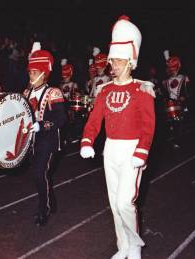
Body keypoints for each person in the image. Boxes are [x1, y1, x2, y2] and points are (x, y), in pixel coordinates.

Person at [80, 16, 155, 259]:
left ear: (131, 62)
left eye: (119, 60)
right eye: (112, 59)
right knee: (114, 204)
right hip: (110, 150)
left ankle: (135, 245)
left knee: (125, 203)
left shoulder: (142, 89)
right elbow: (94, 120)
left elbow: (148, 125)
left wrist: (142, 151)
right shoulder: (105, 91)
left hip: (132, 151)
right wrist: (87, 140)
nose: (113, 64)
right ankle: (123, 246)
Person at [23, 42, 67, 226]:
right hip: (32, 141)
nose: (30, 75)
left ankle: (44, 209)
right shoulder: (25, 92)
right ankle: (51, 200)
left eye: (34, 72)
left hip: (48, 140)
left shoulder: (53, 92)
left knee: (39, 173)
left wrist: (42, 125)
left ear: (43, 73)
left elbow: (61, 118)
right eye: (30, 72)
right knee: (39, 174)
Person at [162, 50, 190, 149]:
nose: (172, 70)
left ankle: (179, 140)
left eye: (174, 68)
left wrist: (184, 97)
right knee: (174, 123)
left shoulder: (183, 78)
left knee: (179, 123)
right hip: (171, 105)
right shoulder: (166, 81)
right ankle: (176, 139)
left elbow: (187, 91)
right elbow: (165, 93)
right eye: (171, 68)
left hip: (181, 104)